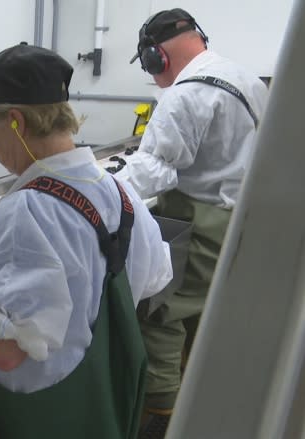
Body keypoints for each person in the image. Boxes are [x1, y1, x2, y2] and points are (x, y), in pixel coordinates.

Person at [0, 42, 173, 439]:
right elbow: (155, 277)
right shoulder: (120, 193)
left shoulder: (28, 210)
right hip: (108, 397)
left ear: (17, 121)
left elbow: (4, 352)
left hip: (42, 415)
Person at [124, 8, 269, 437]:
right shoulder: (247, 79)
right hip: (240, 216)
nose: (152, 76)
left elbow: (155, 171)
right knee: (205, 310)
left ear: (156, 56)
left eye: (149, 65)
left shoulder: (185, 95)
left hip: (200, 219)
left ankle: (162, 415)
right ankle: (197, 393)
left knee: (161, 314)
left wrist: (96, 190)